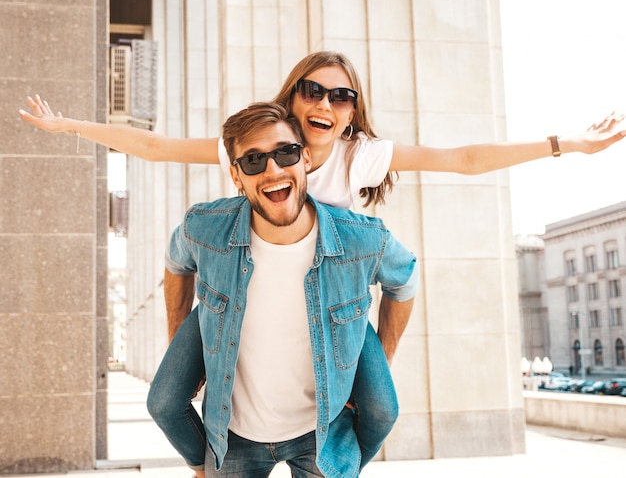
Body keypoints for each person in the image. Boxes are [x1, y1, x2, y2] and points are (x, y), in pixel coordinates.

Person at [19, 50, 626, 474]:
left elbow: (461, 159)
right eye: (314, 89)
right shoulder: (255, 141)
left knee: (382, 403)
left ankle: (332, 459)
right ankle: (210, 460)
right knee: (165, 398)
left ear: (351, 113)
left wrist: (565, 145)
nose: (327, 102)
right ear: (292, 99)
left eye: (342, 95)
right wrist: (66, 126)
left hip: (333, 302)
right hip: (243, 290)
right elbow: (153, 146)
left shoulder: (359, 156)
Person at [163, 101, 418, 477]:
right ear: (236, 175)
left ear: (307, 161)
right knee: (164, 402)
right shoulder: (204, 227)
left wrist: (382, 356)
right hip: (233, 436)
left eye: (286, 153)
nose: (273, 170)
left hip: (322, 436)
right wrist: (182, 344)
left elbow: (405, 280)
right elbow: (176, 264)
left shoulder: (363, 240)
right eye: (253, 161)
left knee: (383, 410)